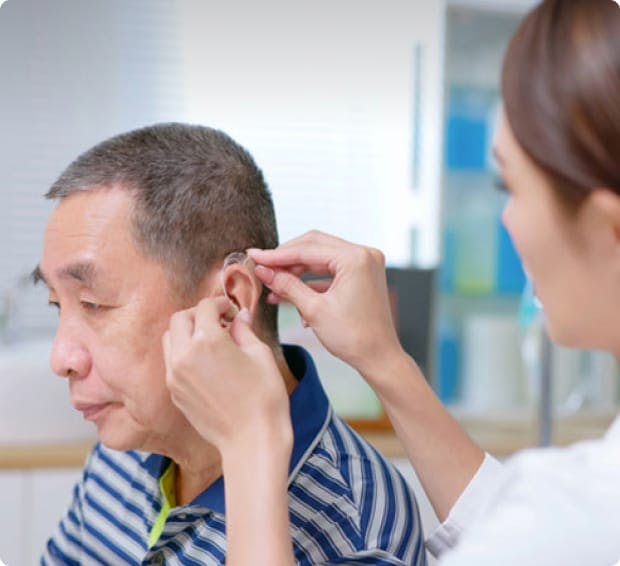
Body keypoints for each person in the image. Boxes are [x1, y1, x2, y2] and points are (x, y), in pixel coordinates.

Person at [163, 0, 620, 564]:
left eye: (510, 188)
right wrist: (382, 357)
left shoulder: (576, 517)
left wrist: (251, 445)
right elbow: (510, 525)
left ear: (609, 229)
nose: (505, 222)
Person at [35, 123, 427, 565]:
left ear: (232, 300)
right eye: (56, 305)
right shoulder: (123, 449)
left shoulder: (354, 529)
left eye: (93, 303)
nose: (61, 358)